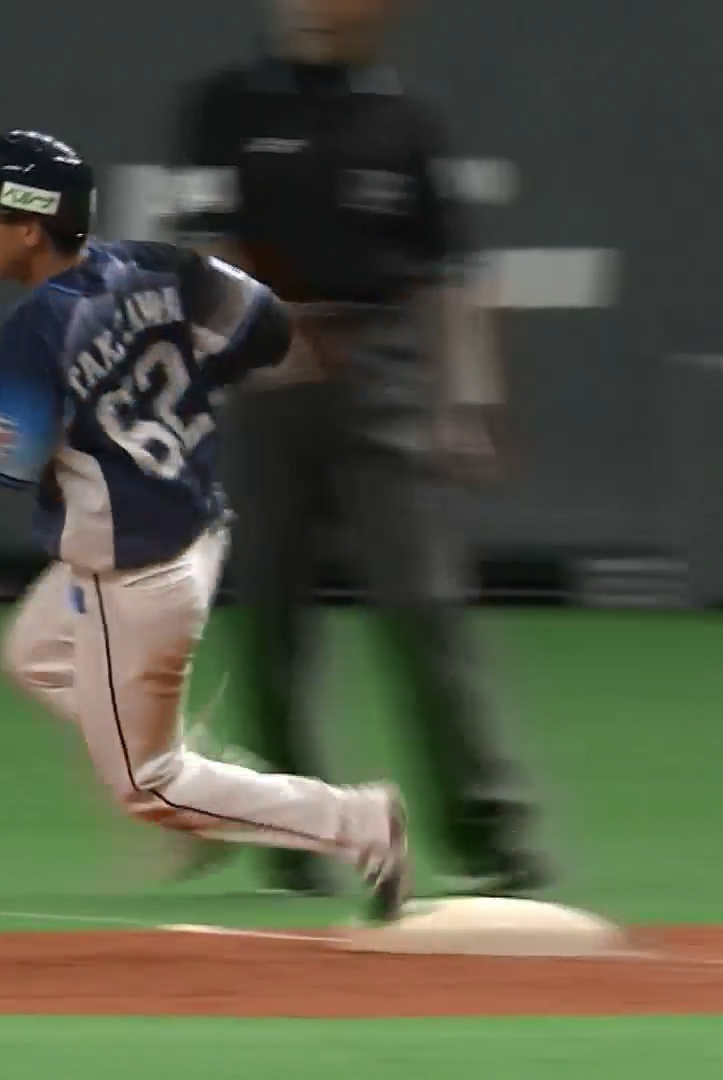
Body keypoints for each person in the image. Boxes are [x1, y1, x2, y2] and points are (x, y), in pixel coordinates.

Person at [0, 129, 409, 923]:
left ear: (31, 227)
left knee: (148, 786)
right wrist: (183, 374)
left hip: (134, 574)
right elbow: (268, 329)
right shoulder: (156, 267)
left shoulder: (36, 327)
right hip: (194, 530)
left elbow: (7, 458)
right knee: (34, 655)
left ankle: (357, 822)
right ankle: (190, 766)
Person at [165, 0, 550, 896]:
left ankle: (489, 832)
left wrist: (470, 401)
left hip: (384, 372)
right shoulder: (228, 104)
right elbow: (205, 239)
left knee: (424, 604)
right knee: (273, 619)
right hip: (268, 373)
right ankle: (296, 837)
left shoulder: (406, 119)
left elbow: (449, 274)